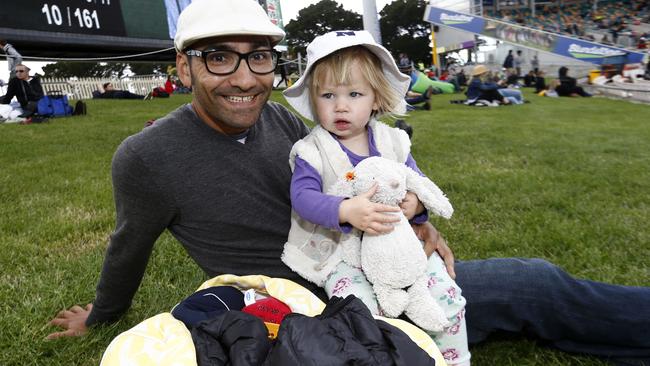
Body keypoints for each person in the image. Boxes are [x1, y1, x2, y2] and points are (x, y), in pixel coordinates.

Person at [46, 1, 650, 365]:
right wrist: (101, 314)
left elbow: (358, 175)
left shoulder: (280, 116)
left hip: (373, 262)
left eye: (259, 56)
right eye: (219, 57)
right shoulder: (147, 156)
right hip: (313, 305)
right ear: (184, 66)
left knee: (521, 289)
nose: (245, 77)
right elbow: (129, 245)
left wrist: (416, 219)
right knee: (531, 287)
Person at [281, 30, 470, 365]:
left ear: (376, 99)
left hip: (402, 249)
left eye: (354, 93)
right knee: (360, 311)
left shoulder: (393, 142)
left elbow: (418, 181)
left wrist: (418, 204)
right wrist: (344, 209)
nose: (340, 106)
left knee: (448, 297)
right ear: (313, 100)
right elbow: (303, 198)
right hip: (342, 254)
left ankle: (454, 358)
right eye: (327, 95)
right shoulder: (312, 150)